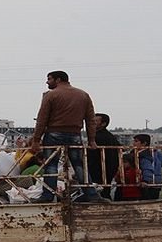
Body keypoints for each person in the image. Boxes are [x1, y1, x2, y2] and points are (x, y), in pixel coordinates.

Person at [31, 71, 108, 203]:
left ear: (58, 79)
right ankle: (91, 195)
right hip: (75, 134)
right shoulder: (83, 95)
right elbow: (90, 120)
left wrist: (36, 140)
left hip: (54, 133)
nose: (47, 82)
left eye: (49, 79)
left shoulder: (51, 95)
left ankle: (48, 196)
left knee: (50, 165)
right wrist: (91, 140)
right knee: (79, 165)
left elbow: (42, 119)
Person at [87, 113, 121, 199]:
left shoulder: (97, 137)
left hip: (98, 169)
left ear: (103, 123)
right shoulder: (110, 137)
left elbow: (91, 155)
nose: (93, 123)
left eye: (96, 121)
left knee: (98, 192)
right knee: (105, 191)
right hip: (108, 169)